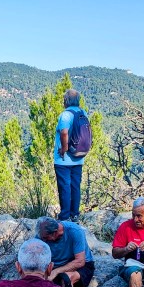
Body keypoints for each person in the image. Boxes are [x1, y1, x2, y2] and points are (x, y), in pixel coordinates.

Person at [36, 216, 95, 287]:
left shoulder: (75, 231)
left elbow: (80, 261)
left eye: (46, 238)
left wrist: (56, 272)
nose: (43, 240)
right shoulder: (41, 236)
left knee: (65, 279)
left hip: (81, 266)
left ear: (54, 233)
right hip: (53, 266)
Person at [53, 89, 87, 221]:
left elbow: (64, 132)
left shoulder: (65, 115)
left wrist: (64, 149)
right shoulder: (82, 113)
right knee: (75, 186)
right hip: (79, 157)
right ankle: (75, 214)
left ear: (66, 101)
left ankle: (65, 216)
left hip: (64, 160)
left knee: (64, 187)